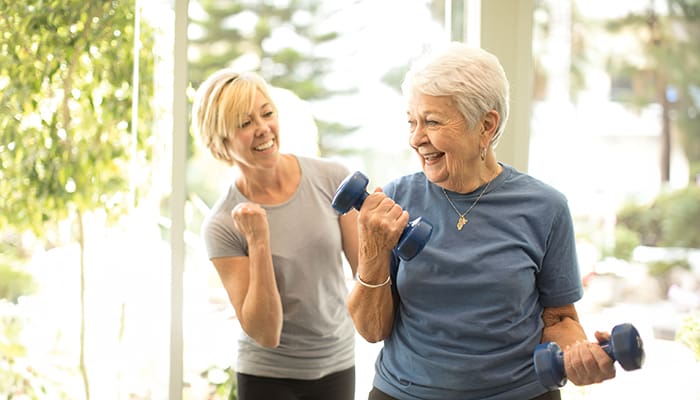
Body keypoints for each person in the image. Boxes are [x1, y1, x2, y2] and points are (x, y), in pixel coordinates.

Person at [346, 42, 617, 400]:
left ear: (486, 127)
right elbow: (371, 330)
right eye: (412, 121)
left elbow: (559, 320)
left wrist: (579, 354)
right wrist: (373, 250)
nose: (416, 138)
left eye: (432, 121)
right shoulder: (395, 201)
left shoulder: (544, 207)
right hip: (405, 393)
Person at [192, 68, 359, 400]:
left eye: (266, 113)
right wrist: (258, 240)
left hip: (338, 363)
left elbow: (366, 273)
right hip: (268, 375)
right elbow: (265, 333)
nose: (262, 129)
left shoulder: (332, 178)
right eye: (244, 124)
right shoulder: (222, 224)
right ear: (221, 142)